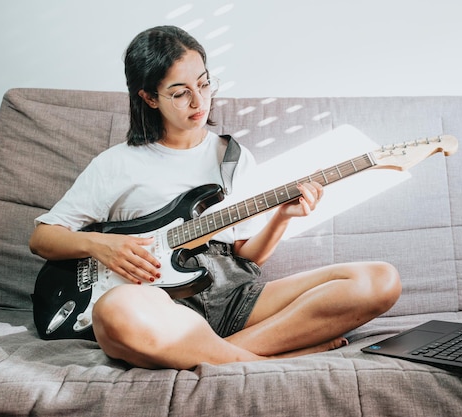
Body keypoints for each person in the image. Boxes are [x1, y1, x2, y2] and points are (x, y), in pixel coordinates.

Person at [29, 25, 402, 370]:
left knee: (379, 280)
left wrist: (282, 217)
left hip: (234, 292)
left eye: (204, 84)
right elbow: (42, 238)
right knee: (114, 311)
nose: (198, 101)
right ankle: (259, 359)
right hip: (160, 305)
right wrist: (101, 246)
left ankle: (227, 354)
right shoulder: (116, 164)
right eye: (180, 93)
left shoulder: (232, 158)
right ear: (149, 97)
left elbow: (246, 254)